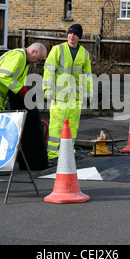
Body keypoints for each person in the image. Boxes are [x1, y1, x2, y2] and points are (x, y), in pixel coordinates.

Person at [43, 24, 93, 163]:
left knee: (73, 125)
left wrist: (89, 94)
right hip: (59, 96)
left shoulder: (84, 53)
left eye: (75, 34)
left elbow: (87, 75)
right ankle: (52, 154)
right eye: (70, 33)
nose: (72, 36)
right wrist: (47, 89)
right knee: (56, 124)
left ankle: (69, 152)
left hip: (76, 97)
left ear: (79, 37)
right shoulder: (57, 50)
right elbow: (49, 71)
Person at [0, 42, 47, 112]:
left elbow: (16, 83)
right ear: (33, 52)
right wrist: (21, 89)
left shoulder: (24, 61)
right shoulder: (18, 56)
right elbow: (2, 75)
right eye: (38, 59)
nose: (38, 62)